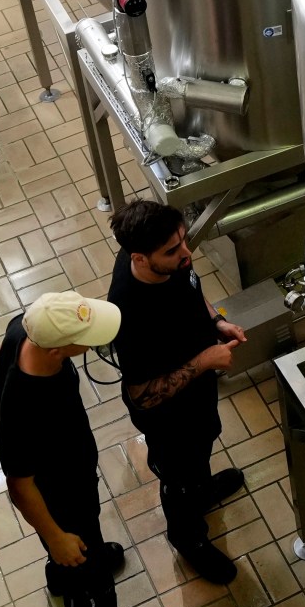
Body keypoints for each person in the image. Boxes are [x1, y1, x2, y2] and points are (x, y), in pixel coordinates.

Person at [0, 290, 158, 607]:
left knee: (85, 553)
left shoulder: (25, 329)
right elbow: (19, 486)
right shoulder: (25, 404)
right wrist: (58, 539)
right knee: (95, 593)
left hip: (72, 476)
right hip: (61, 504)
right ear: (56, 349)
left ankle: (62, 571)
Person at [106, 200, 246, 585]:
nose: (186, 253)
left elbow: (191, 284)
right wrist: (205, 361)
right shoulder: (130, 314)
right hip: (169, 417)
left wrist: (216, 320)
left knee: (202, 448)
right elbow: (142, 395)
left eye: (184, 241)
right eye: (173, 250)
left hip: (197, 395)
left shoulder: (168, 259)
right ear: (139, 258)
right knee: (178, 475)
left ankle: (202, 490)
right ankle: (188, 538)